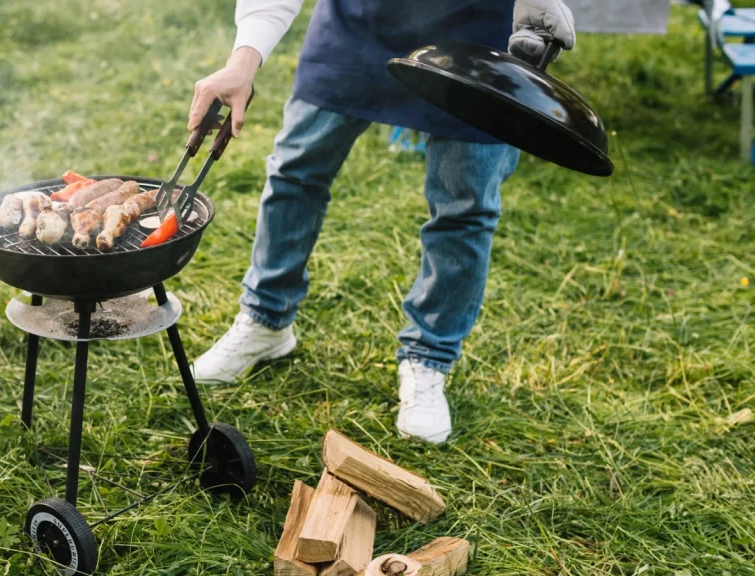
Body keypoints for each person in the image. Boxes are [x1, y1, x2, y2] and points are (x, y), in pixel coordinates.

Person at [187, 0, 576, 444]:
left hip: (480, 32)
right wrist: (244, 56)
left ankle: (429, 358)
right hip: (358, 24)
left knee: (465, 208)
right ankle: (266, 319)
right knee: (295, 172)